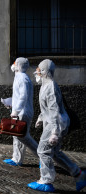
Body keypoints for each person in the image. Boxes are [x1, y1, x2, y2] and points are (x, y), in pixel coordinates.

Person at [28, 59, 86, 192]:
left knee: (42, 151)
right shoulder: (45, 85)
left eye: (38, 69)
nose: (36, 71)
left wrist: (54, 131)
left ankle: (46, 181)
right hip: (54, 123)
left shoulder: (50, 86)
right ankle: (78, 174)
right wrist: (41, 118)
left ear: (44, 71)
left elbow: (54, 109)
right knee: (54, 153)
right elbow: (47, 108)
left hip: (56, 124)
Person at [3, 57, 39, 166]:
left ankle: (42, 157)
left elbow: (23, 97)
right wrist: (12, 105)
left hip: (23, 112)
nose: (13, 65)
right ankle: (17, 159)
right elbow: (19, 96)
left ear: (18, 65)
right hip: (19, 111)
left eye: (15, 63)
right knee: (16, 134)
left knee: (23, 136)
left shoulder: (23, 78)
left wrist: (16, 110)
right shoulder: (19, 77)